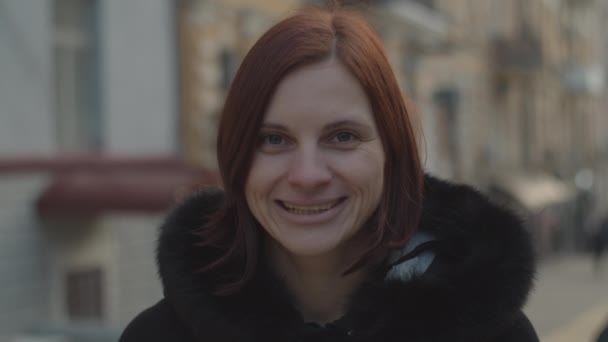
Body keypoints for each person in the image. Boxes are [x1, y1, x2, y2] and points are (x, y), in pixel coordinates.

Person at [120, 5, 538, 342]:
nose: (307, 175)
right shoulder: (157, 335)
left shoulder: (497, 334)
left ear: (393, 152)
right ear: (236, 159)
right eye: (273, 139)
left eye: (341, 136)